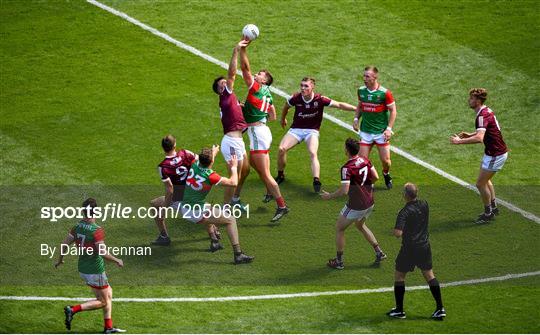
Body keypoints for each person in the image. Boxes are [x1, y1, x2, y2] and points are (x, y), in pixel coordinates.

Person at [55, 198, 125, 333]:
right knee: (103, 301)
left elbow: (64, 244)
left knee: (108, 293)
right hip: (95, 270)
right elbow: (103, 253)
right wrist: (117, 260)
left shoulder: (77, 227)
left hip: (83, 268)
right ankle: (73, 309)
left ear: (83, 211)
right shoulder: (96, 230)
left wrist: (60, 260)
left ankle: (108, 327)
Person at [238, 39, 289, 222]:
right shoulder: (267, 92)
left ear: (264, 80)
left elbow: (244, 69)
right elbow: (273, 115)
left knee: (265, 174)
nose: (256, 75)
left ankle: (281, 205)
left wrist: (243, 49)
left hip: (258, 133)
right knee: (254, 163)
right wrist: (253, 112)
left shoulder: (257, 87)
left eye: (260, 74)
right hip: (262, 130)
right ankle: (269, 190)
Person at [276, 77, 356, 192]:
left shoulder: (320, 99)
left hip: (311, 131)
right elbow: (286, 106)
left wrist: (356, 109)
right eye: (302, 85)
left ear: (312, 87)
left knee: (313, 152)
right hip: (296, 129)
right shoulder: (296, 98)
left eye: (306, 86)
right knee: (281, 149)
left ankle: (316, 180)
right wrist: (282, 119)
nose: (303, 88)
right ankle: (280, 175)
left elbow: (339, 105)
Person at [321, 138, 387, 269]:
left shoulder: (347, 168)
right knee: (360, 225)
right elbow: (376, 177)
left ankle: (339, 262)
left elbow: (344, 191)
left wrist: (329, 196)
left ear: (347, 150)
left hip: (356, 206)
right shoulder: (365, 160)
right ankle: (379, 252)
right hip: (369, 202)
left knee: (339, 228)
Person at [181, 145, 254, 264]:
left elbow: (205, 162)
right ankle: (238, 254)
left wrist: (213, 153)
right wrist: (234, 167)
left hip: (184, 205)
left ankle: (214, 241)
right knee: (230, 220)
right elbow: (233, 182)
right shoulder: (211, 176)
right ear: (211, 161)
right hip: (194, 212)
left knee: (209, 207)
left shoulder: (194, 164)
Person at [386, 183, 446, 320]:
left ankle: (400, 310)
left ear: (406, 195)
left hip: (409, 248)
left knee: (399, 276)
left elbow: (397, 233)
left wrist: (395, 230)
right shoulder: (424, 204)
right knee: (430, 276)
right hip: (424, 246)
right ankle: (440, 308)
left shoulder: (404, 212)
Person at [150, 135, 222, 246]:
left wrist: (164, 208)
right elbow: (203, 164)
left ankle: (164, 236)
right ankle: (214, 236)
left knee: (155, 204)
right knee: (202, 210)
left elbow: (170, 190)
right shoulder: (186, 153)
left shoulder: (163, 167)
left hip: (178, 195)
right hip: (193, 190)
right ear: (175, 145)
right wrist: (213, 153)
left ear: (163, 148)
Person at [451, 88, 508, 224]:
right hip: (493, 152)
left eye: (471, 98)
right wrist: (470, 134)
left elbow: (479, 138)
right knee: (486, 180)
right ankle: (493, 207)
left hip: (496, 154)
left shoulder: (481, 116)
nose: (469, 100)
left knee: (480, 183)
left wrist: (459, 142)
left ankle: (488, 213)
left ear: (477, 101)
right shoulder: (486, 111)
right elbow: (486, 132)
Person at [212, 42, 250, 211]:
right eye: (222, 84)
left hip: (238, 141)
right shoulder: (225, 95)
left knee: (246, 171)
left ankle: (234, 199)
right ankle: (225, 208)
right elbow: (232, 74)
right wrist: (235, 51)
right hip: (231, 142)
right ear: (220, 91)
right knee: (234, 177)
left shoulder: (230, 97)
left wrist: (239, 107)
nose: (225, 84)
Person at [352, 66, 397, 190]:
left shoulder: (384, 93)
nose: (364, 79)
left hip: (380, 132)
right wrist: (356, 119)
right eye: (364, 76)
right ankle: (369, 181)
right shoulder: (361, 90)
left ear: (375, 77)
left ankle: (386, 173)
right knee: (362, 161)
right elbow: (360, 106)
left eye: (367, 76)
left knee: (386, 161)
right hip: (366, 131)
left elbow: (393, 111)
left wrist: (389, 129)